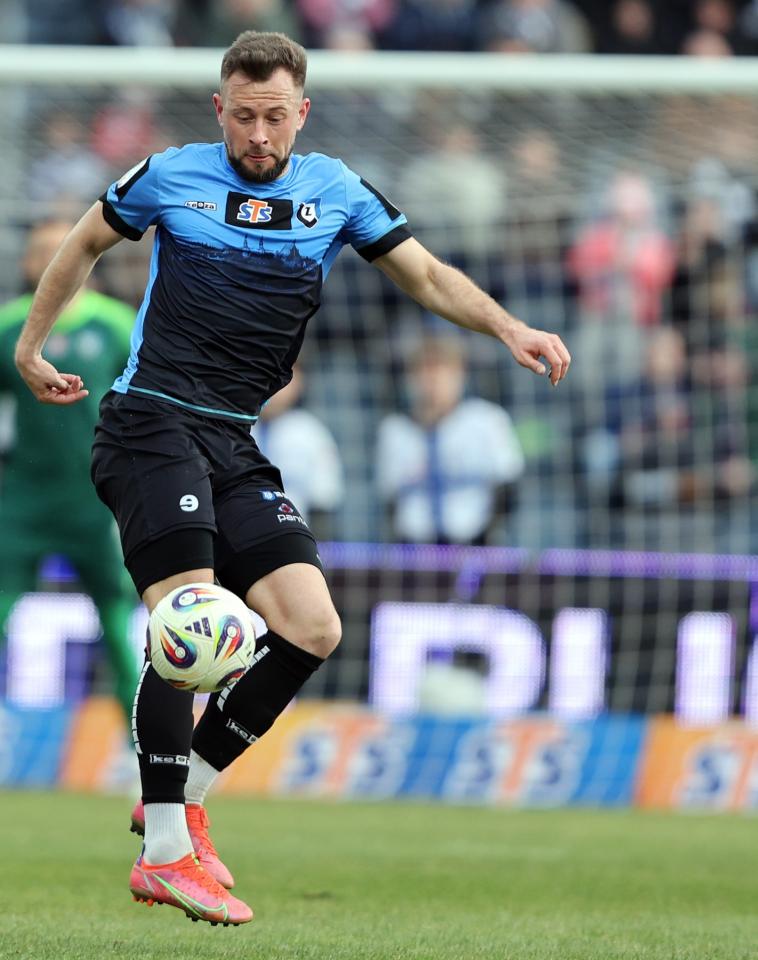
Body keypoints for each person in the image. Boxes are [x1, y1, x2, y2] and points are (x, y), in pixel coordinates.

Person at [14, 31, 571, 926]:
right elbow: (82, 244)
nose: (259, 136)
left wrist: (508, 329)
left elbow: (424, 274)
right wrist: (32, 347)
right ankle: (162, 854)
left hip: (234, 438)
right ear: (219, 109)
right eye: (243, 117)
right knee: (187, 618)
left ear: (301, 113)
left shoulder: (336, 191)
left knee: (313, 624)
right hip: (150, 418)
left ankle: (181, 794)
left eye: (276, 118)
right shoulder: (171, 174)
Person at [0, 220, 139, 721]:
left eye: (59, 250)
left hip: (96, 498)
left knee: (117, 621)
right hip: (23, 499)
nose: (49, 259)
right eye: (39, 251)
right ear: (26, 263)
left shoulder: (118, 324)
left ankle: (137, 753)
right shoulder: (9, 327)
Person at [376, 335, 525, 544]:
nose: (433, 380)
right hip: (413, 551)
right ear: (410, 377)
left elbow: (508, 489)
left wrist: (486, 539)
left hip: (475, 547)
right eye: (425, 370)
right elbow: (390, 500)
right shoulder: (394, 431)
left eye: (443, 370)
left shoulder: (487, 421)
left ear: (460, 375)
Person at [254, 364, 345, 538]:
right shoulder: (236, 427)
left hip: (293, 536)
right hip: (238, 535)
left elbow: (324, 499)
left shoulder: (311, 432)